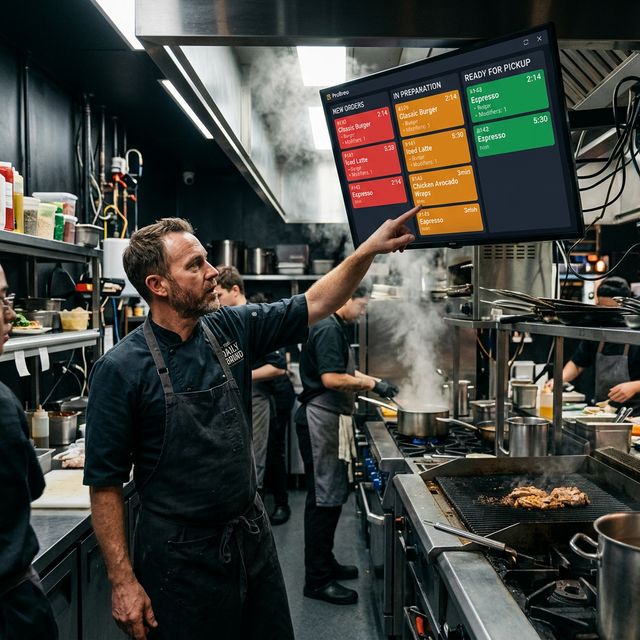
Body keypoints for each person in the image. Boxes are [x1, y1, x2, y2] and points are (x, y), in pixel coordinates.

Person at [83, 205, 419, 640]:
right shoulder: (120, 369)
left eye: (206, 260)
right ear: (158, 285)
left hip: (251, 540)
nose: (213, 273)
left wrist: (367, 250)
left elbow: (317, 301)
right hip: (180, 561)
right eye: (195, 265)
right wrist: (122, 581)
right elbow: (105, 484)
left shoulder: (229, 328)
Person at [295, 286, 399, 605]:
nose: (363, 312)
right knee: (322, 500)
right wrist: (372, 383)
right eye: (362, 305)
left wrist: (376, 383)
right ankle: (317, 580)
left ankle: (325, 564)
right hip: (320, 421)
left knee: (331, 498)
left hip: (330, 420)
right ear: (346, 299)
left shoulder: (334, 324)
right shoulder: (327, 327)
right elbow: (332, 379)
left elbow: (346, 372)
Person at [0, 264, 58, 640]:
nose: (10, 313)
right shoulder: (2, 405)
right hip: (10, 609)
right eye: (0, 300)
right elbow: (31, 486)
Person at [214, 266, 286, 496]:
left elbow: (278, 367)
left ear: (235, 290)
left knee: (256, 457)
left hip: (257, 397)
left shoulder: (256, 320)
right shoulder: (222, 322)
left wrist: (239, 375)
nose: (216, 300)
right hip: (230, 400)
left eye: (219, 295)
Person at [552, 276, 640, 413]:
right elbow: (578, 363)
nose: (606, 315)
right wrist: (558, 380)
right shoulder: (597, 332)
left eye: (611, 310)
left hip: (635, 414)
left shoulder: (636, 333)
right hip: (602, 410)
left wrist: (635, 386)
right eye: (601, 308)